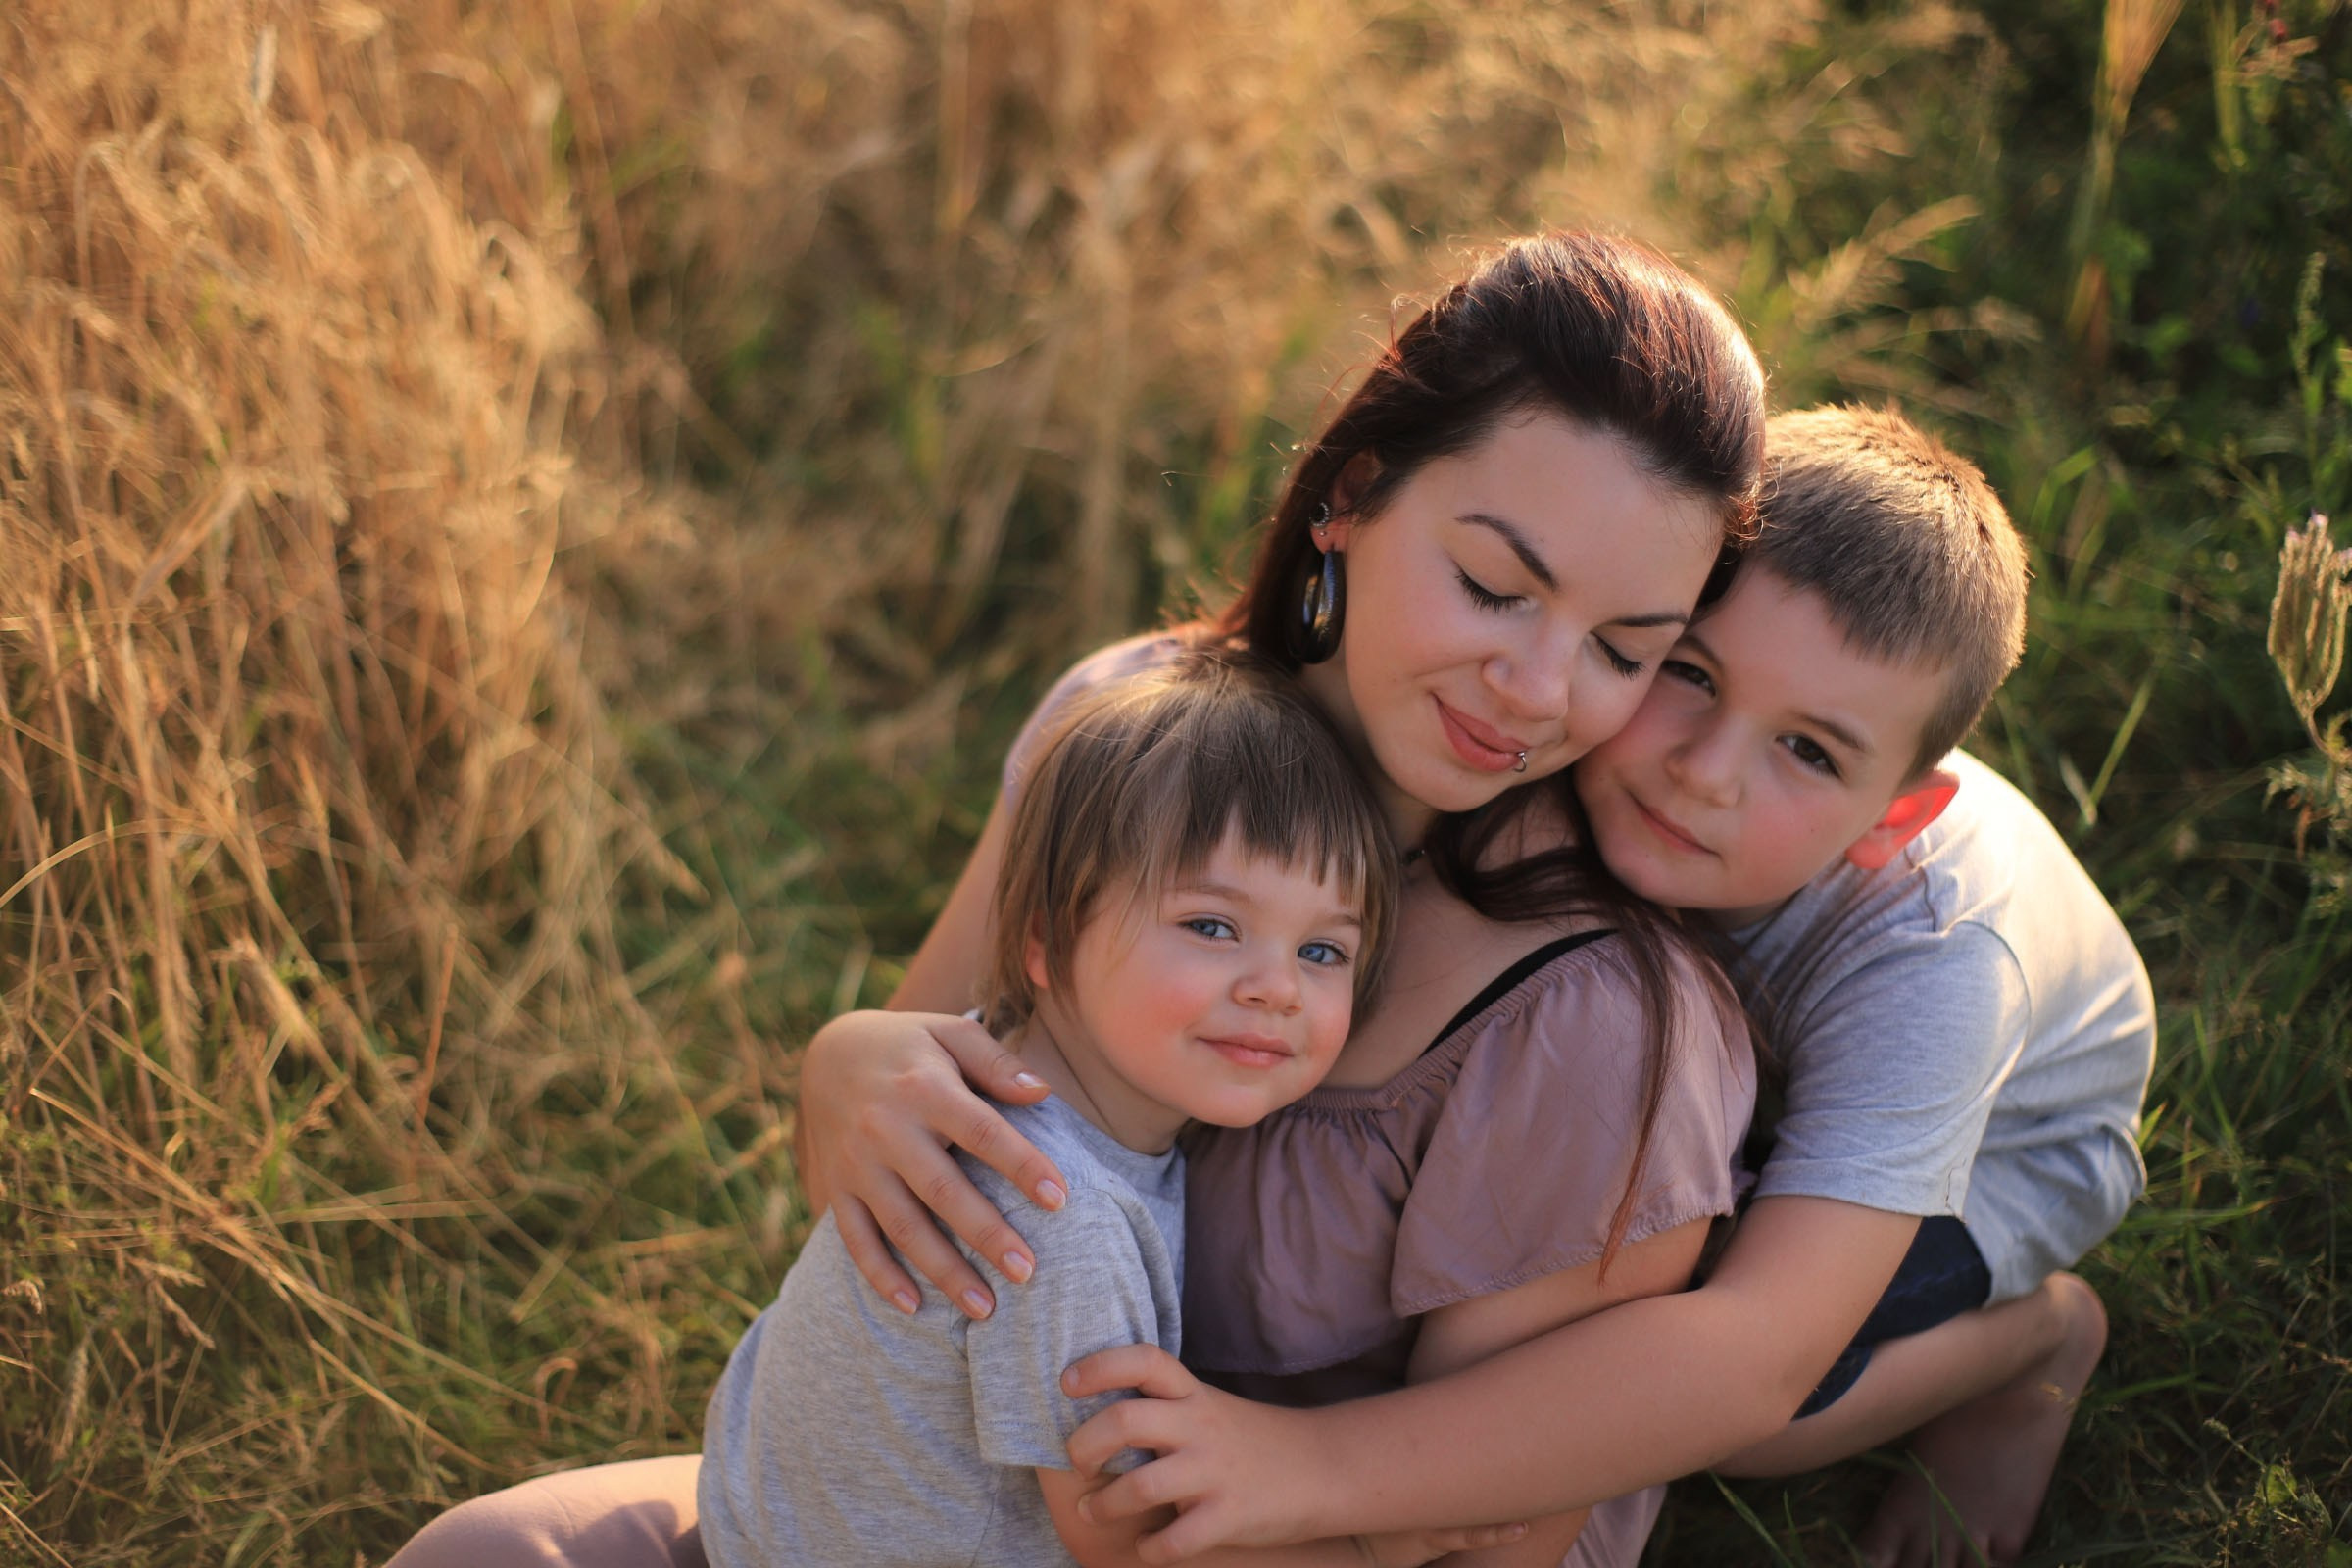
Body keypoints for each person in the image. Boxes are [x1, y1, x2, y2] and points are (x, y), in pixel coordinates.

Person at [386, 226, 1770, 1568]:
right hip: (966, 1505)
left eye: (1622, 651)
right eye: (1491, 586)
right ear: (1348, 500)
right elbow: (893, 1218)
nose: (1536, 689)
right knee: (487, 1553)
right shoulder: (1127, 734)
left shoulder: (1585, 1021)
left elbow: (1496, 1538)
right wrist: (851, 1070)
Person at [1050, 407, 2155, 1568]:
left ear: (1896, 817)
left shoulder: (1937, 965)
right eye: (1686, 672)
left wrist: (1312, 1471)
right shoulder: (1549, 738)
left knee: (1748, 1412)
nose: (1705, 772)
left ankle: (2037, 1341)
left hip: (2016, 1144)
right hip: (1739, 1043)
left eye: (1808, 750)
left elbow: (1758, 1347)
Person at [700, 647, 1524, 1567]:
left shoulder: (991, 1068)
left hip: (751, 1516)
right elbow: (1128, 1538)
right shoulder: (1062, 1215)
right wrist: (1374, 1542)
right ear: (1050, 940)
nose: (1276, 989)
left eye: (1323, 952)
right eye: (1213, 926)